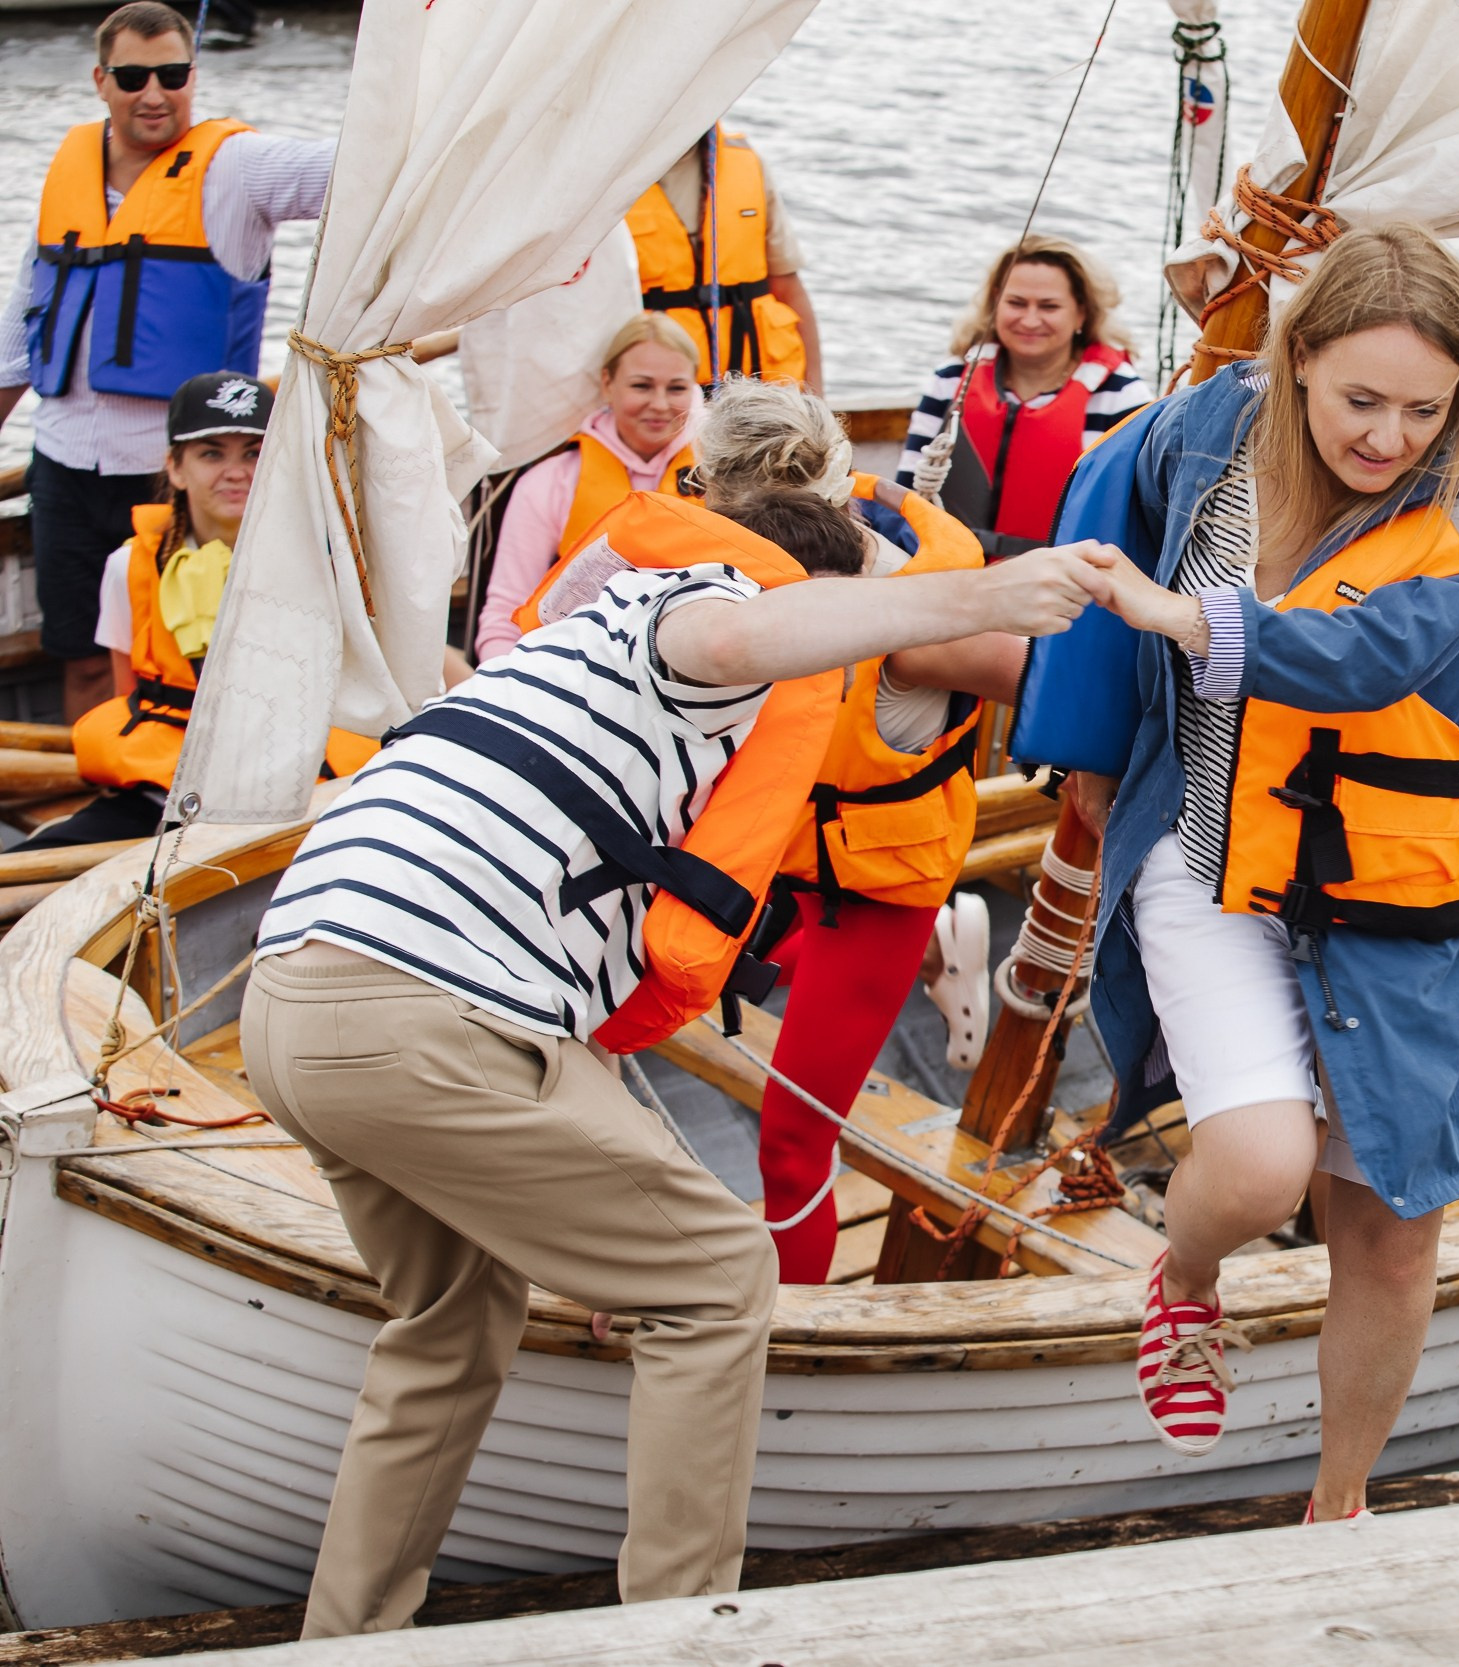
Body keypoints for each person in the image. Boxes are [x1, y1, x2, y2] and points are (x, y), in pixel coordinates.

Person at [242, 466, 1114, 1638]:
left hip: (296, 1007)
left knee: (448, 1326)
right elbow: (753, 620)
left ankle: (347, 1639)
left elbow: (572, 1029)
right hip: (422, 1021)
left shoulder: (559, 660)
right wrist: (983, 591)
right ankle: (678, 1639)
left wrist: (617, 1234)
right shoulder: (683, 614)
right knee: (713, 1273)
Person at [1063, 222, 1459, 1520]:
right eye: (1359, 399)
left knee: (1391, 1230)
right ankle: (1182, 1274)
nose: (1388, 437)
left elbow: (1364, 653)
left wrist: (1184, 617)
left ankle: (1336, 1502)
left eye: (1422, 408)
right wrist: (1077, 756)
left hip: (1394, 905)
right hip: (1215, 858)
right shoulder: (1201, 441)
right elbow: (1091, 519)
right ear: (1295, 363)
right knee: (1258, 1167)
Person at [656, 377, 1013, 1284]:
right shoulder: (702, 586)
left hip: (873, 889)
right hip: (759, 854)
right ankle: (946, 945)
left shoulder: (916, 619)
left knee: (791, 1143)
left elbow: (1078, 692)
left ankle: (782, 1338)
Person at [0, 1, 330, 722]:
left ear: (193, 76)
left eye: (173, 74)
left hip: (176, 477)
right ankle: (105, 793)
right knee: (81, 655)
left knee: (186, 661)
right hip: (62, 470)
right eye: (133, 76)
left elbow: (357, 176)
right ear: (101, 80)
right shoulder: (70, 175)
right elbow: (23, 328)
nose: (154, 93)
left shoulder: (238, 169)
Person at [17, 374, 375, 851]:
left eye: (253, 453)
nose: (236, 471)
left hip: (300, 787)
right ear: (176, 467)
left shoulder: (329, 563)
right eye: (212, 453)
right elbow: (133, 694)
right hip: (170, 784)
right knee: (34, 861)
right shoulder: (130, 566)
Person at [897, 235, 1151, 557]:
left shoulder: (1121, 395)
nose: (1030, 320)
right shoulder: (950, 380)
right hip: (950, 574)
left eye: (1049, 306)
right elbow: (907, 489)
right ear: (994, 303)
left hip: (1064, 582)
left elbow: (1138, 517)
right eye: (1016, 303)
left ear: (1081, 313)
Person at [474, 313, 704, 661]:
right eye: (641, 386)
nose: (659, 404)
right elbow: (505, 614)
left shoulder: (724, 476)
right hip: (574, 671)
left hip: (690, 672)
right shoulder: (548, 482)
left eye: (676, 388)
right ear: (607, 383)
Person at [626, 124, 821, 391]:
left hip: (760, 390)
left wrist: (817, 400)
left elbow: (788, 288)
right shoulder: (607, 175)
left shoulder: (746, 161)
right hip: (661, 399)